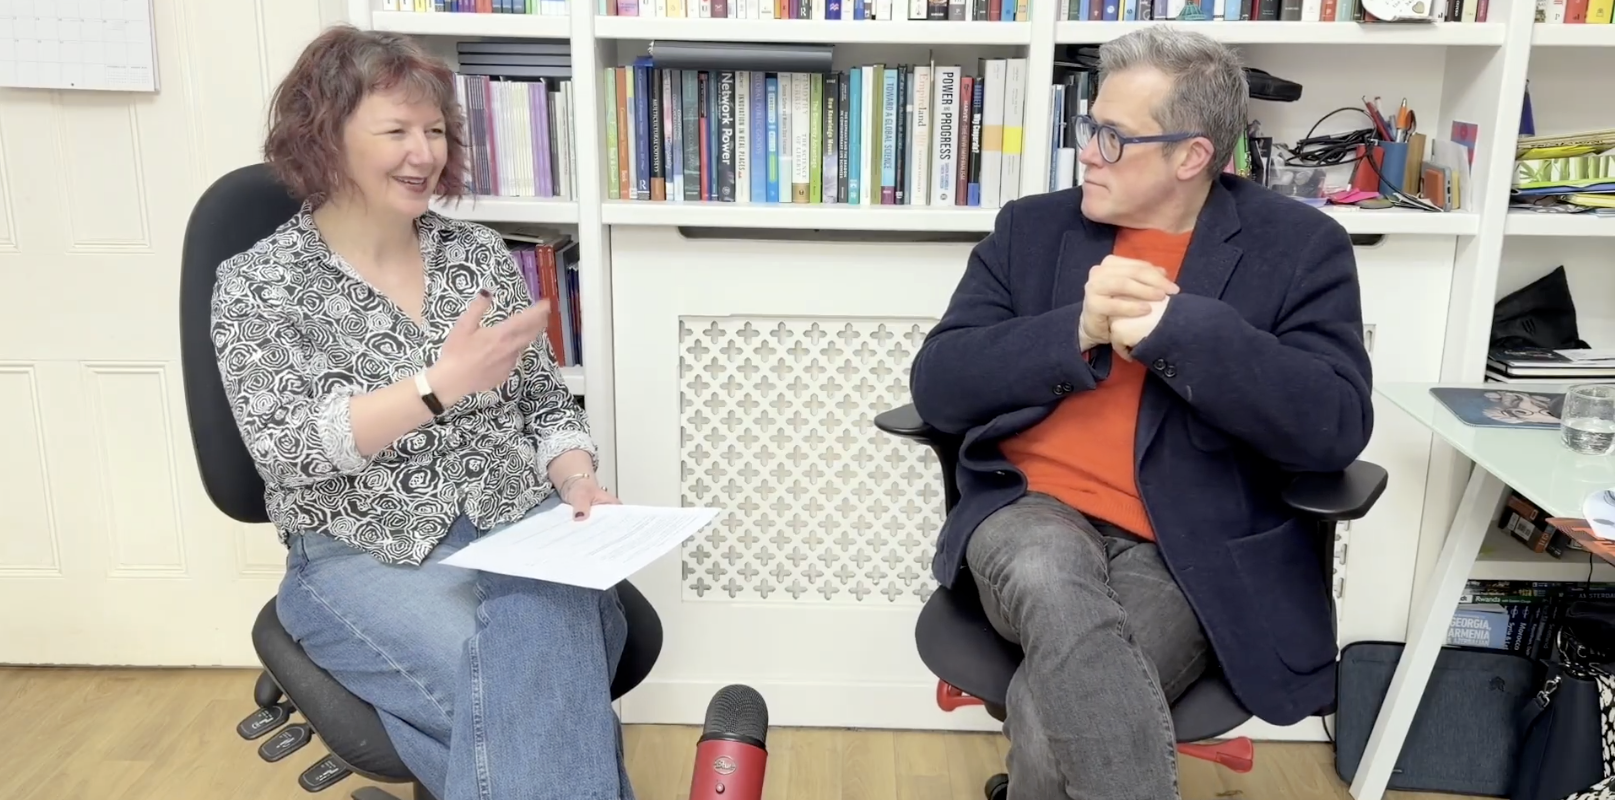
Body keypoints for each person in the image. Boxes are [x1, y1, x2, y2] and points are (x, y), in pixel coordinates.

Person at [908, 26, 1373, 800]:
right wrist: (1075, 331)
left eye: (1113, 138)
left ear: (1190, 156)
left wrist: (1181, 333)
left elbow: (1331, 427)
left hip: (1187, 546)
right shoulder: (1032, 229)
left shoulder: (1298, 248)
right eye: (1088, 127)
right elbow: (940, 385)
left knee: (1046, 721)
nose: (1086, 153)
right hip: (1027, 511)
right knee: (1049, 575)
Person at [210, 26, 633, 800]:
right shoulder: (258, 282)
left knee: (529, 659)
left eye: (434, 130)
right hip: (362, 552)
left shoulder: (475, 253)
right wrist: (438, 385)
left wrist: (576, 479)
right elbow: (285, 451)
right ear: (323, 137)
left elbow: (545, 403)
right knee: (528, 682)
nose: (423, 153)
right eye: (396, 131)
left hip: (520, 524)